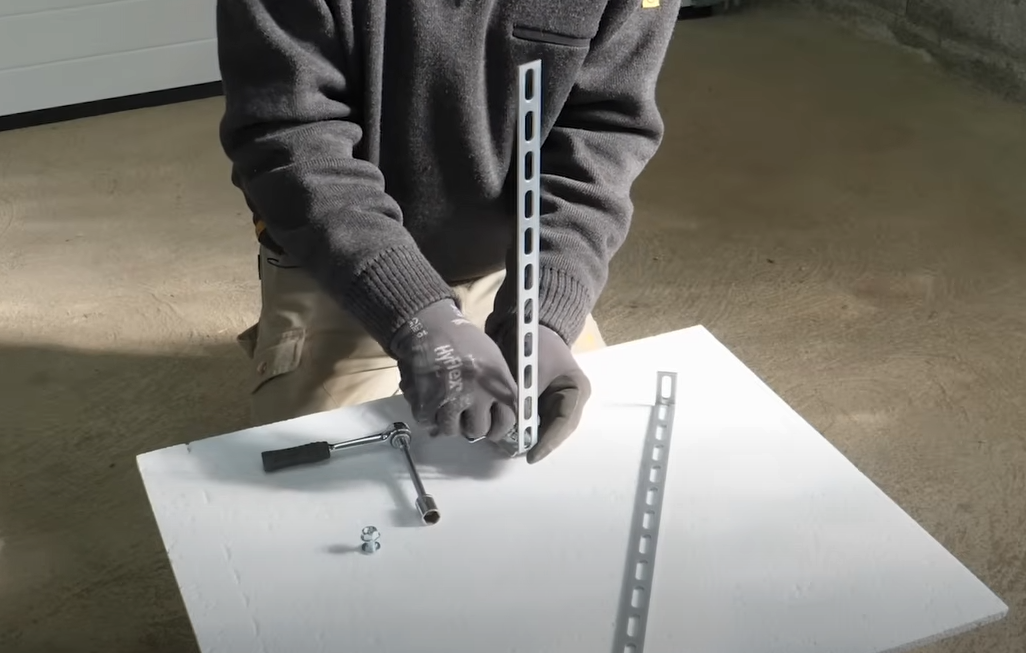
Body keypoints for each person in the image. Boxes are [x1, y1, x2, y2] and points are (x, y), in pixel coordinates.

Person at [215, 0, 680, 463]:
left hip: (511, 261)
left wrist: (546, 311)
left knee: (589, 459)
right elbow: (289, 136)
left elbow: (604, 131)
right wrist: (419, 317)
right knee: (310, 490)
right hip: (337, 264)